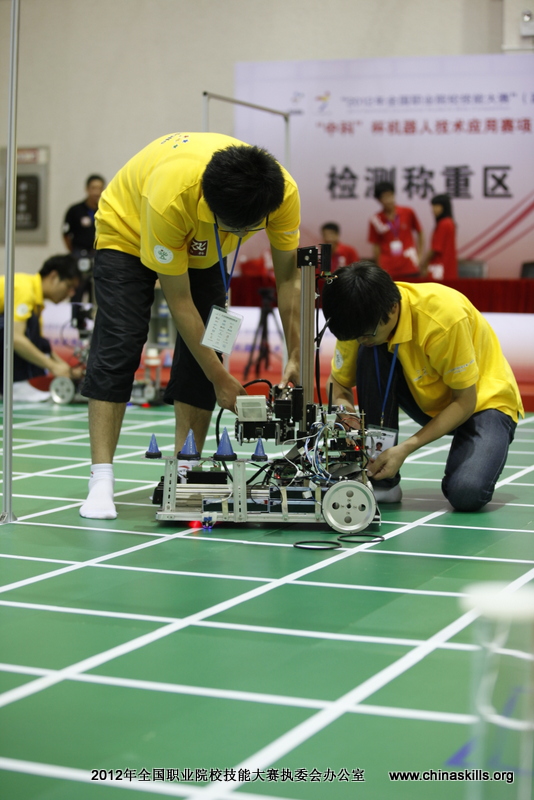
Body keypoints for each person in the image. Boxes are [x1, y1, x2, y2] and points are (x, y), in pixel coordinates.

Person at [79, 132, 301, 520]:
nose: (239, 237)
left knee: (209, 346)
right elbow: (179, 301)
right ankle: (101, 479)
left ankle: (185, 469)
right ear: (208, 202)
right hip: (128, 231)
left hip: (202, 247)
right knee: (121, 341)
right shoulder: (171, 196)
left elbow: (288, 280)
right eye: (231, 227)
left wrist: (296, 353)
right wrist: (220, 378)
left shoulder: (281, 193)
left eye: (246, 231)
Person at [323, 262, 523, 511]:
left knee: (466, 494)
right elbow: (338, 383)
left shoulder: (443, 318)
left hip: (481, 403)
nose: (361, 340)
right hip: (425, 400)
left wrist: (405, 448)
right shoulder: (359, 318)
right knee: (370, 352)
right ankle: (383, 482)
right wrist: (347, 416)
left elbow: (465, 400)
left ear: (393, 307)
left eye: (366, 334)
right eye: (355, 337)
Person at [0, 255, 81, 402]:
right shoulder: (24, 290)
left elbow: (40, 345)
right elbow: (16, 339)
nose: (71, 294)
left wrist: (65, 368)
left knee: (36, 336)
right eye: (69, 286)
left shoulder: (37, 303)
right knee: (18, 329)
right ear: (53, 276)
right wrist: (53, 366)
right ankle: (15, 385)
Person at [62, 174, 106, 302]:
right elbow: (66, 234)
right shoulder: (75, 210)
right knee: (77, 291)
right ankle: (76, 314)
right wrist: (74, 252)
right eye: (93, 188)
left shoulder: (105, 211)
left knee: (98, 293)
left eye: (99, 188)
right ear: (87, 189)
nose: (96, 192)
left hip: (99, 256)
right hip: (80, 255)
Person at [368, 181, 424, 279]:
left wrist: (420, 256)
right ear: (379, 200)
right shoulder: (375, 219)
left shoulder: (408, 212)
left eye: (390, 195)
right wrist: (379, 266)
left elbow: (420, 232)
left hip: (409, 264)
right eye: (384, 197)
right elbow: (376, 245)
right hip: (388, 267)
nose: (389, 200)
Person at [420, 194, 458, 281]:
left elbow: (435, 249)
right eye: (433, 206)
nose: (433, 209)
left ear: (444, 207)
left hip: (439, 268)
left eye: (437, 206)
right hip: (447, 267)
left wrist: (423, 263)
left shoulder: (444, 224)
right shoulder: (449, 222)